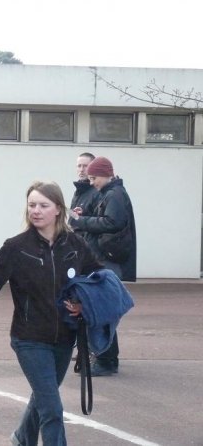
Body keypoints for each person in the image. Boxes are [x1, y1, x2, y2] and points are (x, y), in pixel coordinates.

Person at [0, 181, 102, 446]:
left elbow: (97, 278)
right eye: (31, 205)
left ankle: (21, 439)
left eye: (43, 205)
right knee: (52, 408)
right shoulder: (16, 247)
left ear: (58, 210)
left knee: (42, 398)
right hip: (29, 340)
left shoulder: (75, 245)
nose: (35, 211)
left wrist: (86, 304)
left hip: (65, 339)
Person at [69, 156, 137, 376]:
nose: (92, 182)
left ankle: (106, 360)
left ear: (105, 174)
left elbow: (112, 222)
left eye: (94, 177)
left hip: (106, 259)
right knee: (99, 307)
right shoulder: (110, 193)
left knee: (102, 308)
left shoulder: (114, 194)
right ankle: (102, 357)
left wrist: (82, 221)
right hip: (103, 257)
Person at [70, 152, 100, 237]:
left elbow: (100, 224)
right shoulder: (78, 191)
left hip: (87, 246)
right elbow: (73, 218)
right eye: (79, 166)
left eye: (85, 166)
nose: (81, 169)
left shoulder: (97, 192)